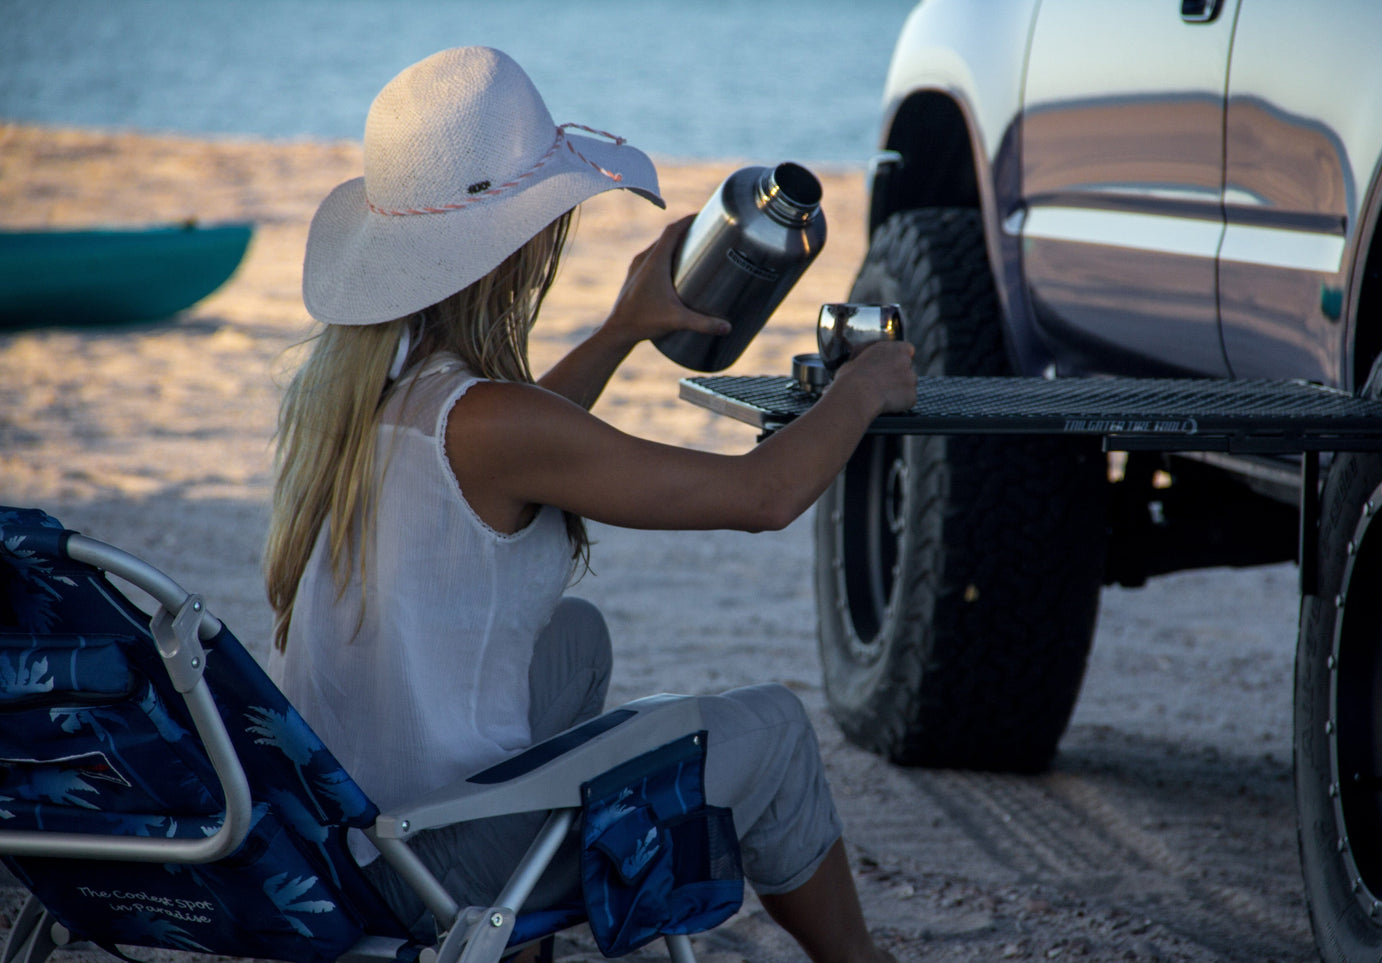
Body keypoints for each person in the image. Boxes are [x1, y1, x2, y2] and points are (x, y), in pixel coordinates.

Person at [263, 46, 913, 963]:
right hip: (428, 869)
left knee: (572, 638)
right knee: (771, 728)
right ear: (524, 246)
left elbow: (512, 449)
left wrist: (619, 331)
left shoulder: (363, 396)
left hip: (334, 835)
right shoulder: (489, 420)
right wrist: (864, 389)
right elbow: (763, 497)